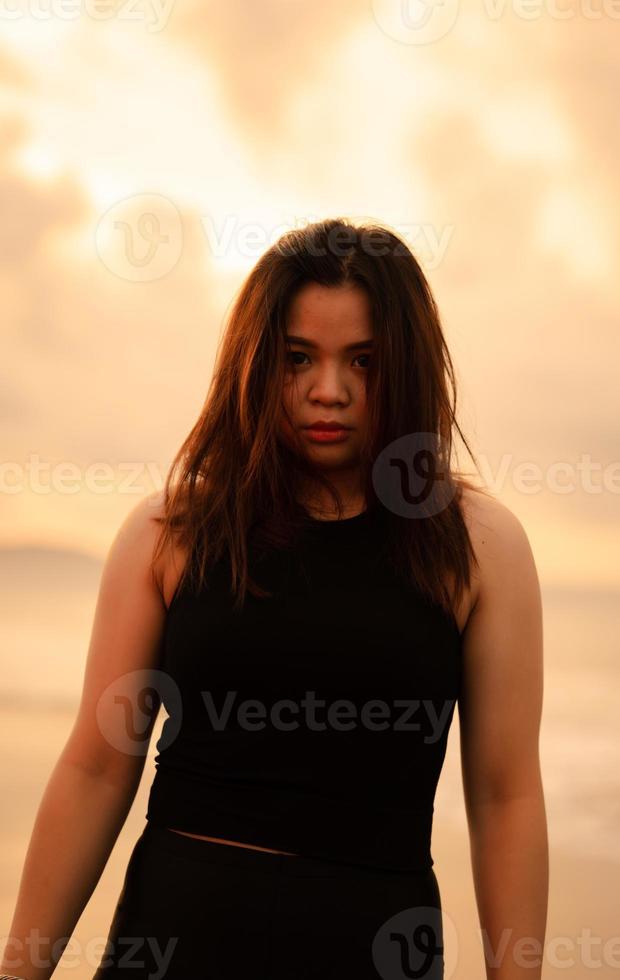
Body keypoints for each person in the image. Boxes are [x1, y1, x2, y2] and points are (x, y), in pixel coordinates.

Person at [1, 218, 548, 980]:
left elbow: (504, 797)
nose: (330, 391)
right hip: (174, 943)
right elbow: (97, 767)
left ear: (409, 366)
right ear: (258, 364)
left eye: (364, 361)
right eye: (299, 359)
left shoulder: (479, 546)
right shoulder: (173, 531)